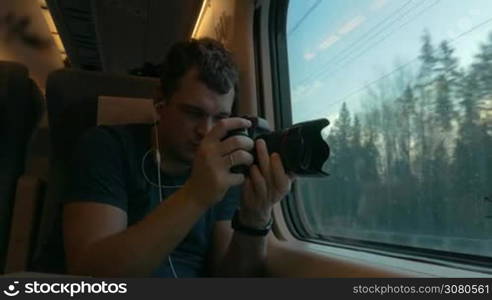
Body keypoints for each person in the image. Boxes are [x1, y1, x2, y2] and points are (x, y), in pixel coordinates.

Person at [63, 38, 294, 277]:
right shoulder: (107, 147)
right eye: (194, 113)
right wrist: (196, 195)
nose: (206, 131)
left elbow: (230, 277)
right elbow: (90, 273)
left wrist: (255, 217)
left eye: (220, 118)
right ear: (159, 102)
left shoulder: (228, 167)